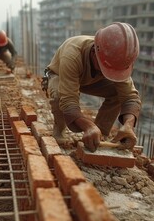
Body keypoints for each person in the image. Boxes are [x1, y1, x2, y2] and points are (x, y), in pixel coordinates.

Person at [41, 22, 141, 152]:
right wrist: (88, 126)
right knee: (60, 96)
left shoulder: (116, 58)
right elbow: (69, 101)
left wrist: (129, 125)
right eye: (107, 68)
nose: (110, 73)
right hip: (60, 75)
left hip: (90, 80)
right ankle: (59, 130)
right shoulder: (72, 53)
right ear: (94, 52)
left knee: (117, 92)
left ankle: (100, 132)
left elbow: (130, 97)